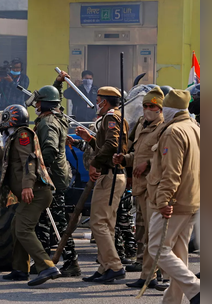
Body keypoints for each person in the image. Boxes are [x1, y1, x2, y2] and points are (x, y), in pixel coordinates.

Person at [0, 104, 61, 287]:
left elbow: (29, 160)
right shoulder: (15, 138)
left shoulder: (22, 135)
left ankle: (46, 266)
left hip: (35, 192)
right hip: (33, 193)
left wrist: (27, 186)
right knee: (15, 226)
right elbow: (5, 152)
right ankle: (20, 269)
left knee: (23, 229)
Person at [145, 89, 200, 304]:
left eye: (162, 107)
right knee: (178, 255)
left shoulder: (173, 132)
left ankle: (196, 290)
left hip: (174, 202)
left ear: (170, 109)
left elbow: (171, 172)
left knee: (158, 249)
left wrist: (164, 200)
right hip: (191, 199)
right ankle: (172, 301)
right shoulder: (194, 128)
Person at [112, 86, 166, 289]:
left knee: (155, 234)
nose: (146, 109)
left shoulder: (164, 128)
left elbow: (164, 156)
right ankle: (148, 275)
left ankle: (159, 275)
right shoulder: (143, 124)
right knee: (145, 235)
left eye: (151, 106)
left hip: (156, 186)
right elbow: (139, 154)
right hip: (141, 186)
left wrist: (148, 165)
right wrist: (125, 159)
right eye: (144, 106)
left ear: (160, 108)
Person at [77, 86, 129, 284]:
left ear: (104, 101)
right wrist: (90, 140)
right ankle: (104, 267)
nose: (96, 103)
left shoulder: (110, 117)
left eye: (98, 99)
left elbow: (112, 145)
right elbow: (106, 145)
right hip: (112, 175)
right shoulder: (115, 117)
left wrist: (94, 164)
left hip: (109, 176)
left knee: (98, 223)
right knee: (106, 224)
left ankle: (114, 266)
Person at [31, 74, 80, 277]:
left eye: (38, 102)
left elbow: (49, 149)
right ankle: (44, 262)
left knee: (57, 223)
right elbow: (54, 99)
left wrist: (40, 167)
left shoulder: (48, 123)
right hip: (56, 177)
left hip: (53, 179)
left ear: (44, 105)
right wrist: (58, 84)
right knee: (44, 221)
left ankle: (71, 262)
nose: (36, 105)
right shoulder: (56, 115)